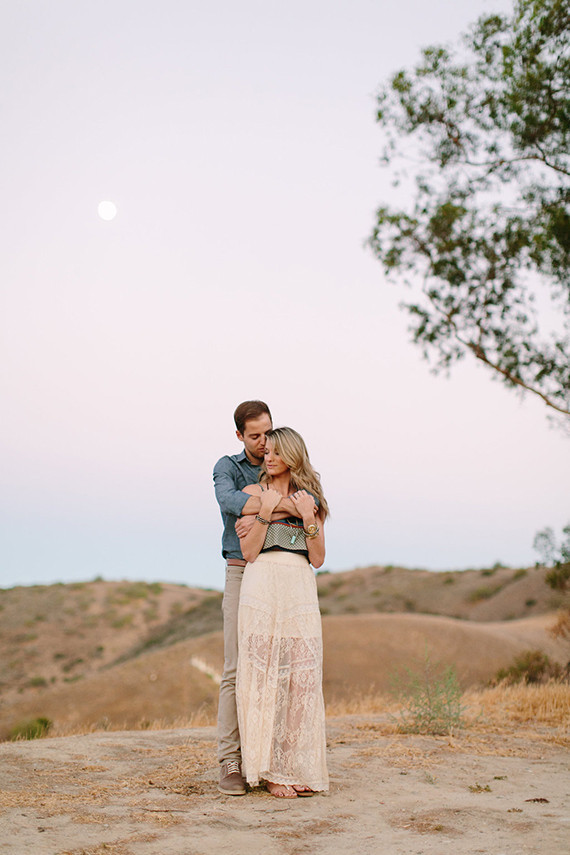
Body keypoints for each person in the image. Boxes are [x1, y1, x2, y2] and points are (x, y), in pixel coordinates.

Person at [213, 402, 312, 796]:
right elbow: (232, 503)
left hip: (284, 573)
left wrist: (280, 506)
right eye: (254, 436)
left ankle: (271, 760)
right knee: (238, 666)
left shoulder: (282, 461)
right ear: (240, 436)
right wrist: (288, 506)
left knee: (280, 669)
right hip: (242, 569)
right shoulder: (228, 468)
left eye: (267, 433)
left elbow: (314, 504)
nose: (263, 443)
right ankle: (231, 761)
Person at [236, 426, 329, 798]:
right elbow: (250, 552)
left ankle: (291, 767)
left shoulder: (313, 499)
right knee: (264, 678)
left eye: (275, 451)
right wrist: (267, 512)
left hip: (299, 587)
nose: (267, 456)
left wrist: (305, 514)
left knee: (300, 679)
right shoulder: (254, 493)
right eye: (265, 450)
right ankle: (269, 771)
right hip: (262, 584)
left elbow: (318, 557)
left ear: (292, 455)